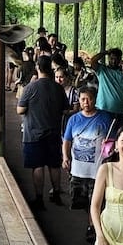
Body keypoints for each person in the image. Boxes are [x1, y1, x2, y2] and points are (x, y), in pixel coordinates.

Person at [17, 56, 70, 210]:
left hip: (33, 133)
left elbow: (20, 110)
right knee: (54, 165)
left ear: (38, 68)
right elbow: (65, 109)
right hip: (54, 133)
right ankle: (57, 194)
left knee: (38, 166)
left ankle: (39, 199)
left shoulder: (31, 88)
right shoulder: (58, 88)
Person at [62, 86, 114, 240]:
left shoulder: (105, 118)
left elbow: (113, 140)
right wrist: (65, 157)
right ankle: (92, 220)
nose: (86, 102)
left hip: (98, 170)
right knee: (82, 200)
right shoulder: (74, 119)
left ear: (95, 99)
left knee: (96, 200)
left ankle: (93, 226)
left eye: (90, 99)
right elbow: (67, 140)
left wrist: (109, 145)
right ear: (79, 100)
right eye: (83, 99)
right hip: (78, 170)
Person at [89, 47, 123, 119]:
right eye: (111, 59)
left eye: (116, 59)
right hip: (103, 109)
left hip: (120, 111)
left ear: (120, 59)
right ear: (108, 58)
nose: (114, 61)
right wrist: (105, 52)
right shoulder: (102, 70)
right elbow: (93, 61)